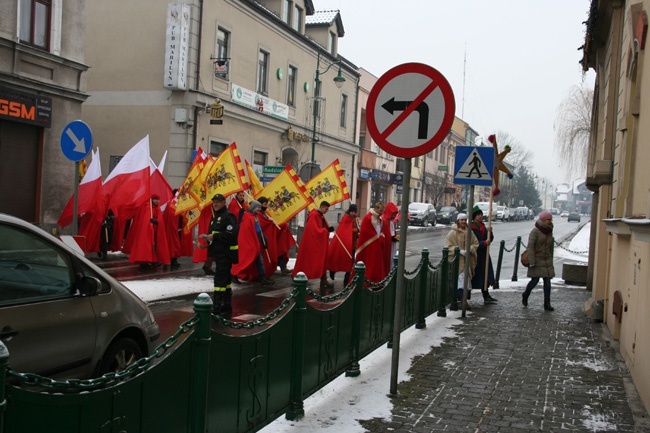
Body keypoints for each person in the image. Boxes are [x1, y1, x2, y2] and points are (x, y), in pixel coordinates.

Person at [198, 193, 238, 316]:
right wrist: (207, 242)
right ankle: (225, 305)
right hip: (219, 253)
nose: (215, 204)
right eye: (214, 202)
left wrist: (213, 236)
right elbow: (214, 235)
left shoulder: (228, 216)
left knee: (219, 281)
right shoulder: (215, 216)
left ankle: (217, 306)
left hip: (226, 254)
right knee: (225, 281)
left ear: (224, 203)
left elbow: (231, 234)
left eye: (218, 202)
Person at [292, 201, 334, 290]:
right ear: (322, 207)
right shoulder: (314, 215)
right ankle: (299, 276)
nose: (326, 211)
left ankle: (323, 279)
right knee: (311, 261)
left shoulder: (319, 215)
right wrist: (325, 231)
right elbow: (314, 230)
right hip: (312, 243)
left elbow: (321, 227)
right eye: (326, 209)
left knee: (322, 260)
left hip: (317, 243)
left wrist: (328, 228)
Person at [231, 200, 274, 286]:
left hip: (255, 242)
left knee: (258, 261)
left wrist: (263, 238)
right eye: (258, 207)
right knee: (247, 260)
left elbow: (258, 230)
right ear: (254, 208)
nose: (259, 209)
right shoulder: (248, 217)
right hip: (250, 243)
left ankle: (262, 278)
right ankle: (234, 274)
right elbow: (247, 231)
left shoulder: (254, 216)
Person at [522, 210, 556, 311]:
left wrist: (550, 258)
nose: (549, 221)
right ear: (542, 220)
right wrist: (532, 261)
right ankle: (525, 294)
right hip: (536, 260)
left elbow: (549, 246)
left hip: (546, 260)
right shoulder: (535, 231)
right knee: (535, 280)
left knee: (547, 283)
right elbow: (530, 247)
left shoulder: (549, 230)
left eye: (550, 219)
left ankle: (547, 303)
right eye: (547, 220)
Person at [127, 194, 171, 270]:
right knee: (147, 246)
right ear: (152, 200)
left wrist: (156, 221)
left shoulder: (157, 209)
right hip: (147, 231)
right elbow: (144, 220)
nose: (157, 201)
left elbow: (160, 220)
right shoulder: (147, 207)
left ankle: (153, 261)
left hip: (154, 230)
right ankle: (146, 261)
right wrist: (149, 223)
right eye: (155, 199)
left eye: (158, 199)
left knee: (153, 246)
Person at [445, 213, 478, 309]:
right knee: (458, 281)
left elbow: (475, 243)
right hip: (457, 262)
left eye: (464, 220)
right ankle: (455, 301)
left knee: (466, 282)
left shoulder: (469, 232)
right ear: (458, 221)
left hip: (467, 262)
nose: (463, 222)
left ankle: (464, 301)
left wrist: (470, 249)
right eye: (461, 220)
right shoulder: (452, 233)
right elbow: (448, 246)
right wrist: (458, 251)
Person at [470, 205, 498, 304]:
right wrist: (484, 243)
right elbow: (473, 242)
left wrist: (490, 232)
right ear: (474, 216)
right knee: (472, 275)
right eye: (478, 215)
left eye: (481, 214)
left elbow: (489, 239)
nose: (481, 216)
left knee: (485, 275)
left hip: (484, 255)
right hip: (475, 255)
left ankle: (486, 294)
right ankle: (463, 296)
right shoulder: (471, 228)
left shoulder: (483, 226)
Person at [326, 204, 360, 287]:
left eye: (354, 212)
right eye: (352, 211)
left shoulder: (356, 220)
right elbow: (344, 231)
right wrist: (355, 230)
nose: (353, 213)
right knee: (338, 259)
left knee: (350, 263)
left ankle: (347, 281)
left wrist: (358, 233)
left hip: (352, 245)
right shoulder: (345, 218)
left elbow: (356, 231)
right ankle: (332, 270)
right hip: (345, 244)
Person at [355, 202, 387, 283]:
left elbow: (380, 230)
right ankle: (368, 281)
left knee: (377, 264)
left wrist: (382, 236)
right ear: (376, 208)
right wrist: (377, 238)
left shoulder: (379, 218)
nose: (381, 213)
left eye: (383, 211)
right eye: (380, 211)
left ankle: (377, 280)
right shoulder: (368, 218)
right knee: (370, 264)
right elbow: (366, 232)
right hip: (369, 245)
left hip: (377, 245)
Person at [383, 202, 400, 271]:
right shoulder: (385, 221)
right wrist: (391, 237)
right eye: (394, 214)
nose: (394, 216)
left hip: (391, 245)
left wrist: (394, 237)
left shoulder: (391, 222)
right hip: (387, 246)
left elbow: (392, 232)